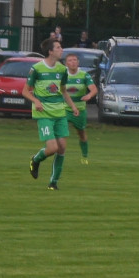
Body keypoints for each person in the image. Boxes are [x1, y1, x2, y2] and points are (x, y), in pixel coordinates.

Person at [24, 40, 79, 190]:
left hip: (60, 113)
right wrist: (36, 100)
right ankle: (36, 160)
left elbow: (63, 90)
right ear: (50, 51)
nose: (62, 49)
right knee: (52, 148)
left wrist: (72, 106)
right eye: (58, 47)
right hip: (44, 114)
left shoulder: (62, 69)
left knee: (62, 147)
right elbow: (25, 91)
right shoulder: (37, 69)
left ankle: (53, 182)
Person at [64, 52, 97, 164]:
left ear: (78, 62)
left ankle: (84, 156)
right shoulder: (62, 75)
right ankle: (59, 155)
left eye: (75, 60)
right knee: (61, 132)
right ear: (66, 64)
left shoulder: (84, 75)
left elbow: (94, 89)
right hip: (64, 109)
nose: (73, 62)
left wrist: (89, 95)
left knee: (81, 133)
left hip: (79, 110)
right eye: (70, 60)